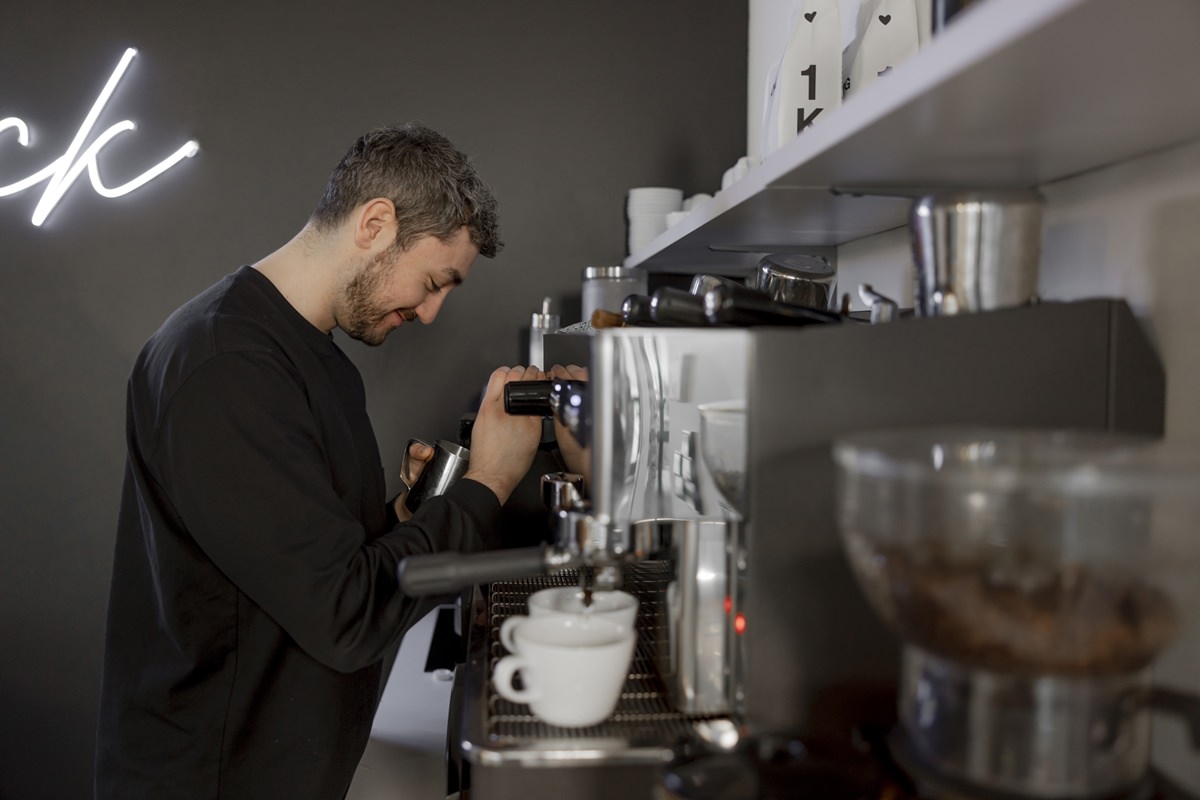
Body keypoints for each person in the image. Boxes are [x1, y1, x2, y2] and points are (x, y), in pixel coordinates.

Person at [94, 122, 545, 800]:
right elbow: (344, 614)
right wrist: (490, 481)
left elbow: (320, 557)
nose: (430, 313)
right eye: (433, 281)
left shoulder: (313, 359)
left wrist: (410, 510)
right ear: (374, 223)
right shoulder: (227, 365)